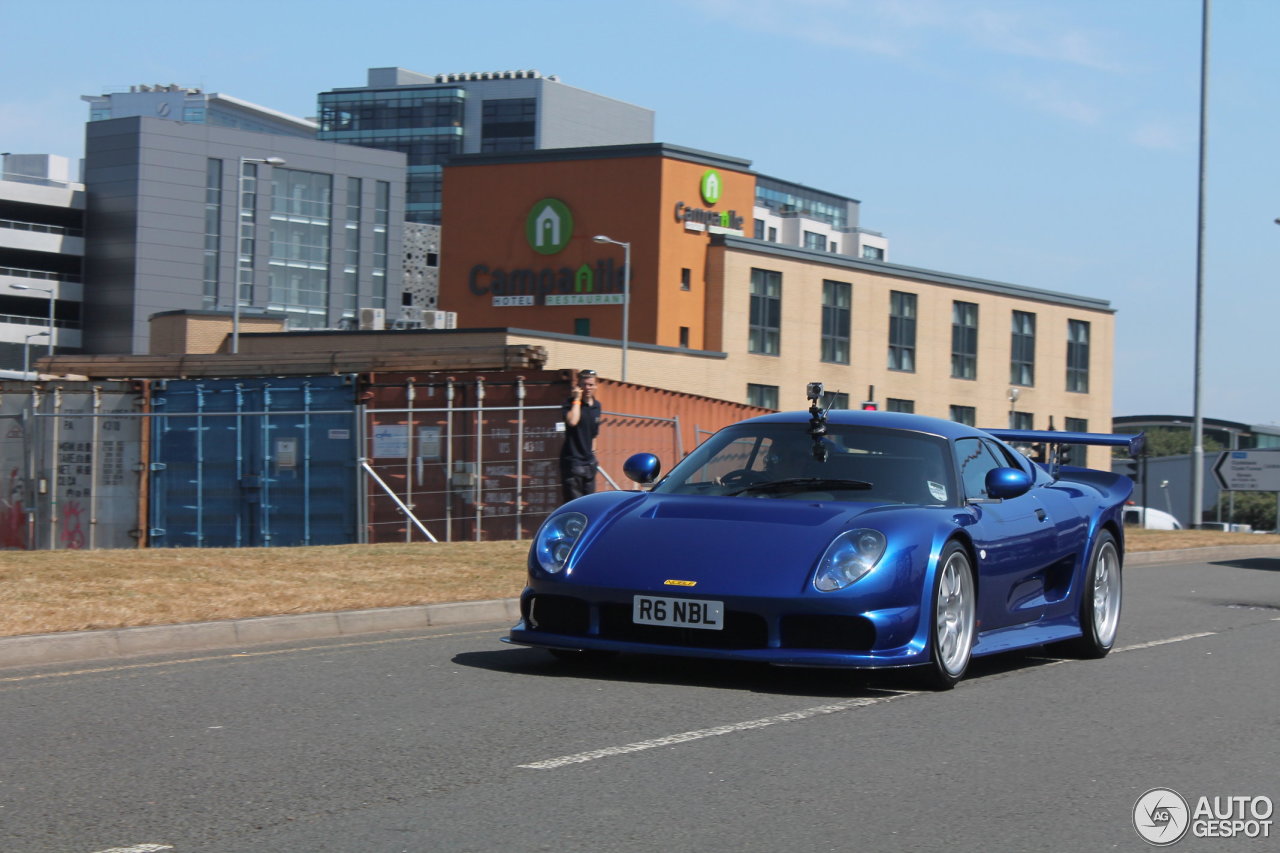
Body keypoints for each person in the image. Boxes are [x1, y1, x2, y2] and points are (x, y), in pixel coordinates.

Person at [560, 369, 602, 503]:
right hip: (573, 463)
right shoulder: (570, 403)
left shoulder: (597, 406)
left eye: (590, 384)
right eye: (584, 384)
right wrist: (577, 400)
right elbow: (573, 421)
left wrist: (593, 457)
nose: (587, 388)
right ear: (579, 386)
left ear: (596, 386)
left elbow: (594, 434)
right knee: (574, 505)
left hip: (589, 464)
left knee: (589, 504)